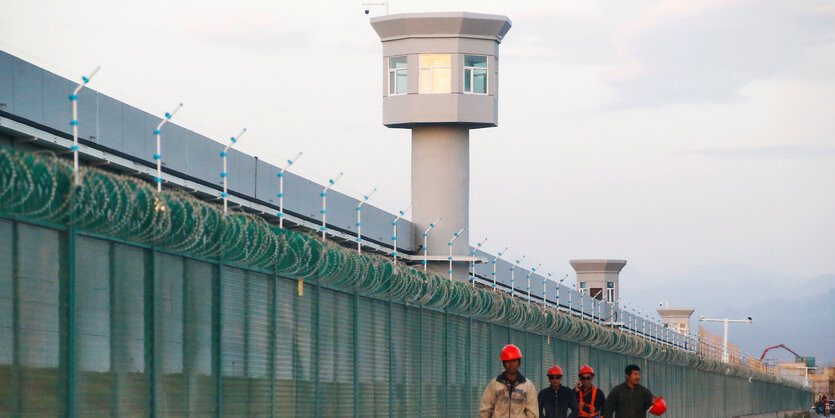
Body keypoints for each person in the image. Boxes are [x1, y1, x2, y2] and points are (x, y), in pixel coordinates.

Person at [480, 344, 539, 418]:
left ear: (519, 363)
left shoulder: (528, 386)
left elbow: (532, 412)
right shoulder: (495, 384)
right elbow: (486, 409)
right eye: (508, 361)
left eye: (514, 361)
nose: (511, 365)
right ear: (503, 363)